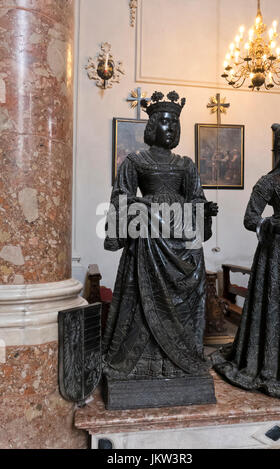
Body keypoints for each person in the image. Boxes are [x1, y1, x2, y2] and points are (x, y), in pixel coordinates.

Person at [103, 91, 218, 381]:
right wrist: (143, 205)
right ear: (152, 126)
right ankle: (142, 363)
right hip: (147, 245)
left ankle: (180, 361)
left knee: (183, 307)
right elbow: (120, 199)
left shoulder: (186, 165)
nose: (172, 129)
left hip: (182, 247)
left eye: (175, 125)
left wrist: (205, 209)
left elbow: (195, 199)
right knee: (142, 304)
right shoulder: (135, 161)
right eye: (166, 123)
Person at [212, 121, 280, 400]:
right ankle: (274, 365)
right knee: (279, 305)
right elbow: (250, 219)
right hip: (279, 253)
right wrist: (270, 225)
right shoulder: (270, 181)